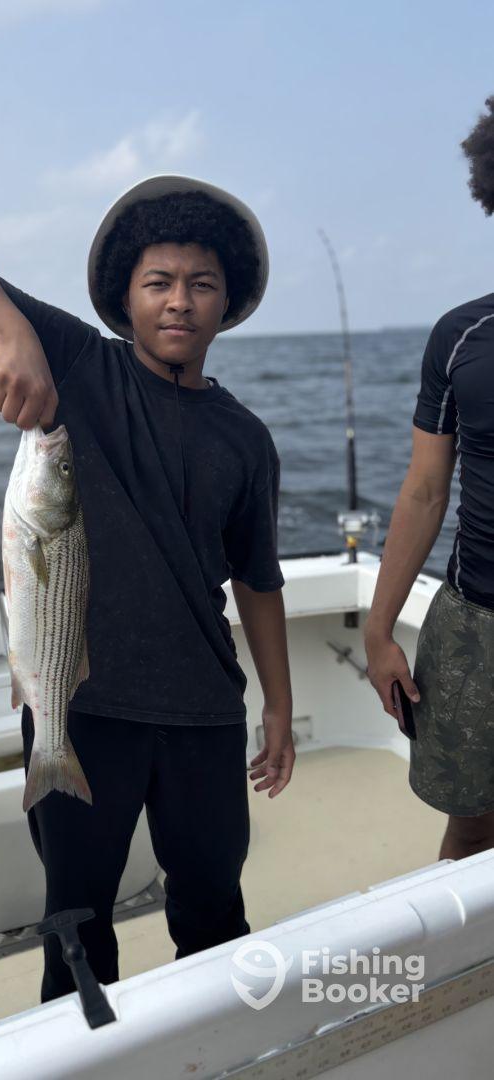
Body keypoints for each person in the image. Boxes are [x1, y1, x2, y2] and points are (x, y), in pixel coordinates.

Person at [0, 174, 294, 1002]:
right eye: (158, 282)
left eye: (201, 285)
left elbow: (258, 581)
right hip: (80, 710)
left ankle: (218, 1044)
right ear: (126, 294)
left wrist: (276, 706)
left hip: (202, 712)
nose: (179, 302)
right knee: (75, 925)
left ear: (227, 301)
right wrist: (11, 339)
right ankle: (80, 1046)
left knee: (215, 912)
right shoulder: (82, 365)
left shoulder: (247, 439)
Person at [364, 97, 494, 861]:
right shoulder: (461, 336)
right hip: (478, 623)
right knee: (473, 826)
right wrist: (379, 630)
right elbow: (424, 490)